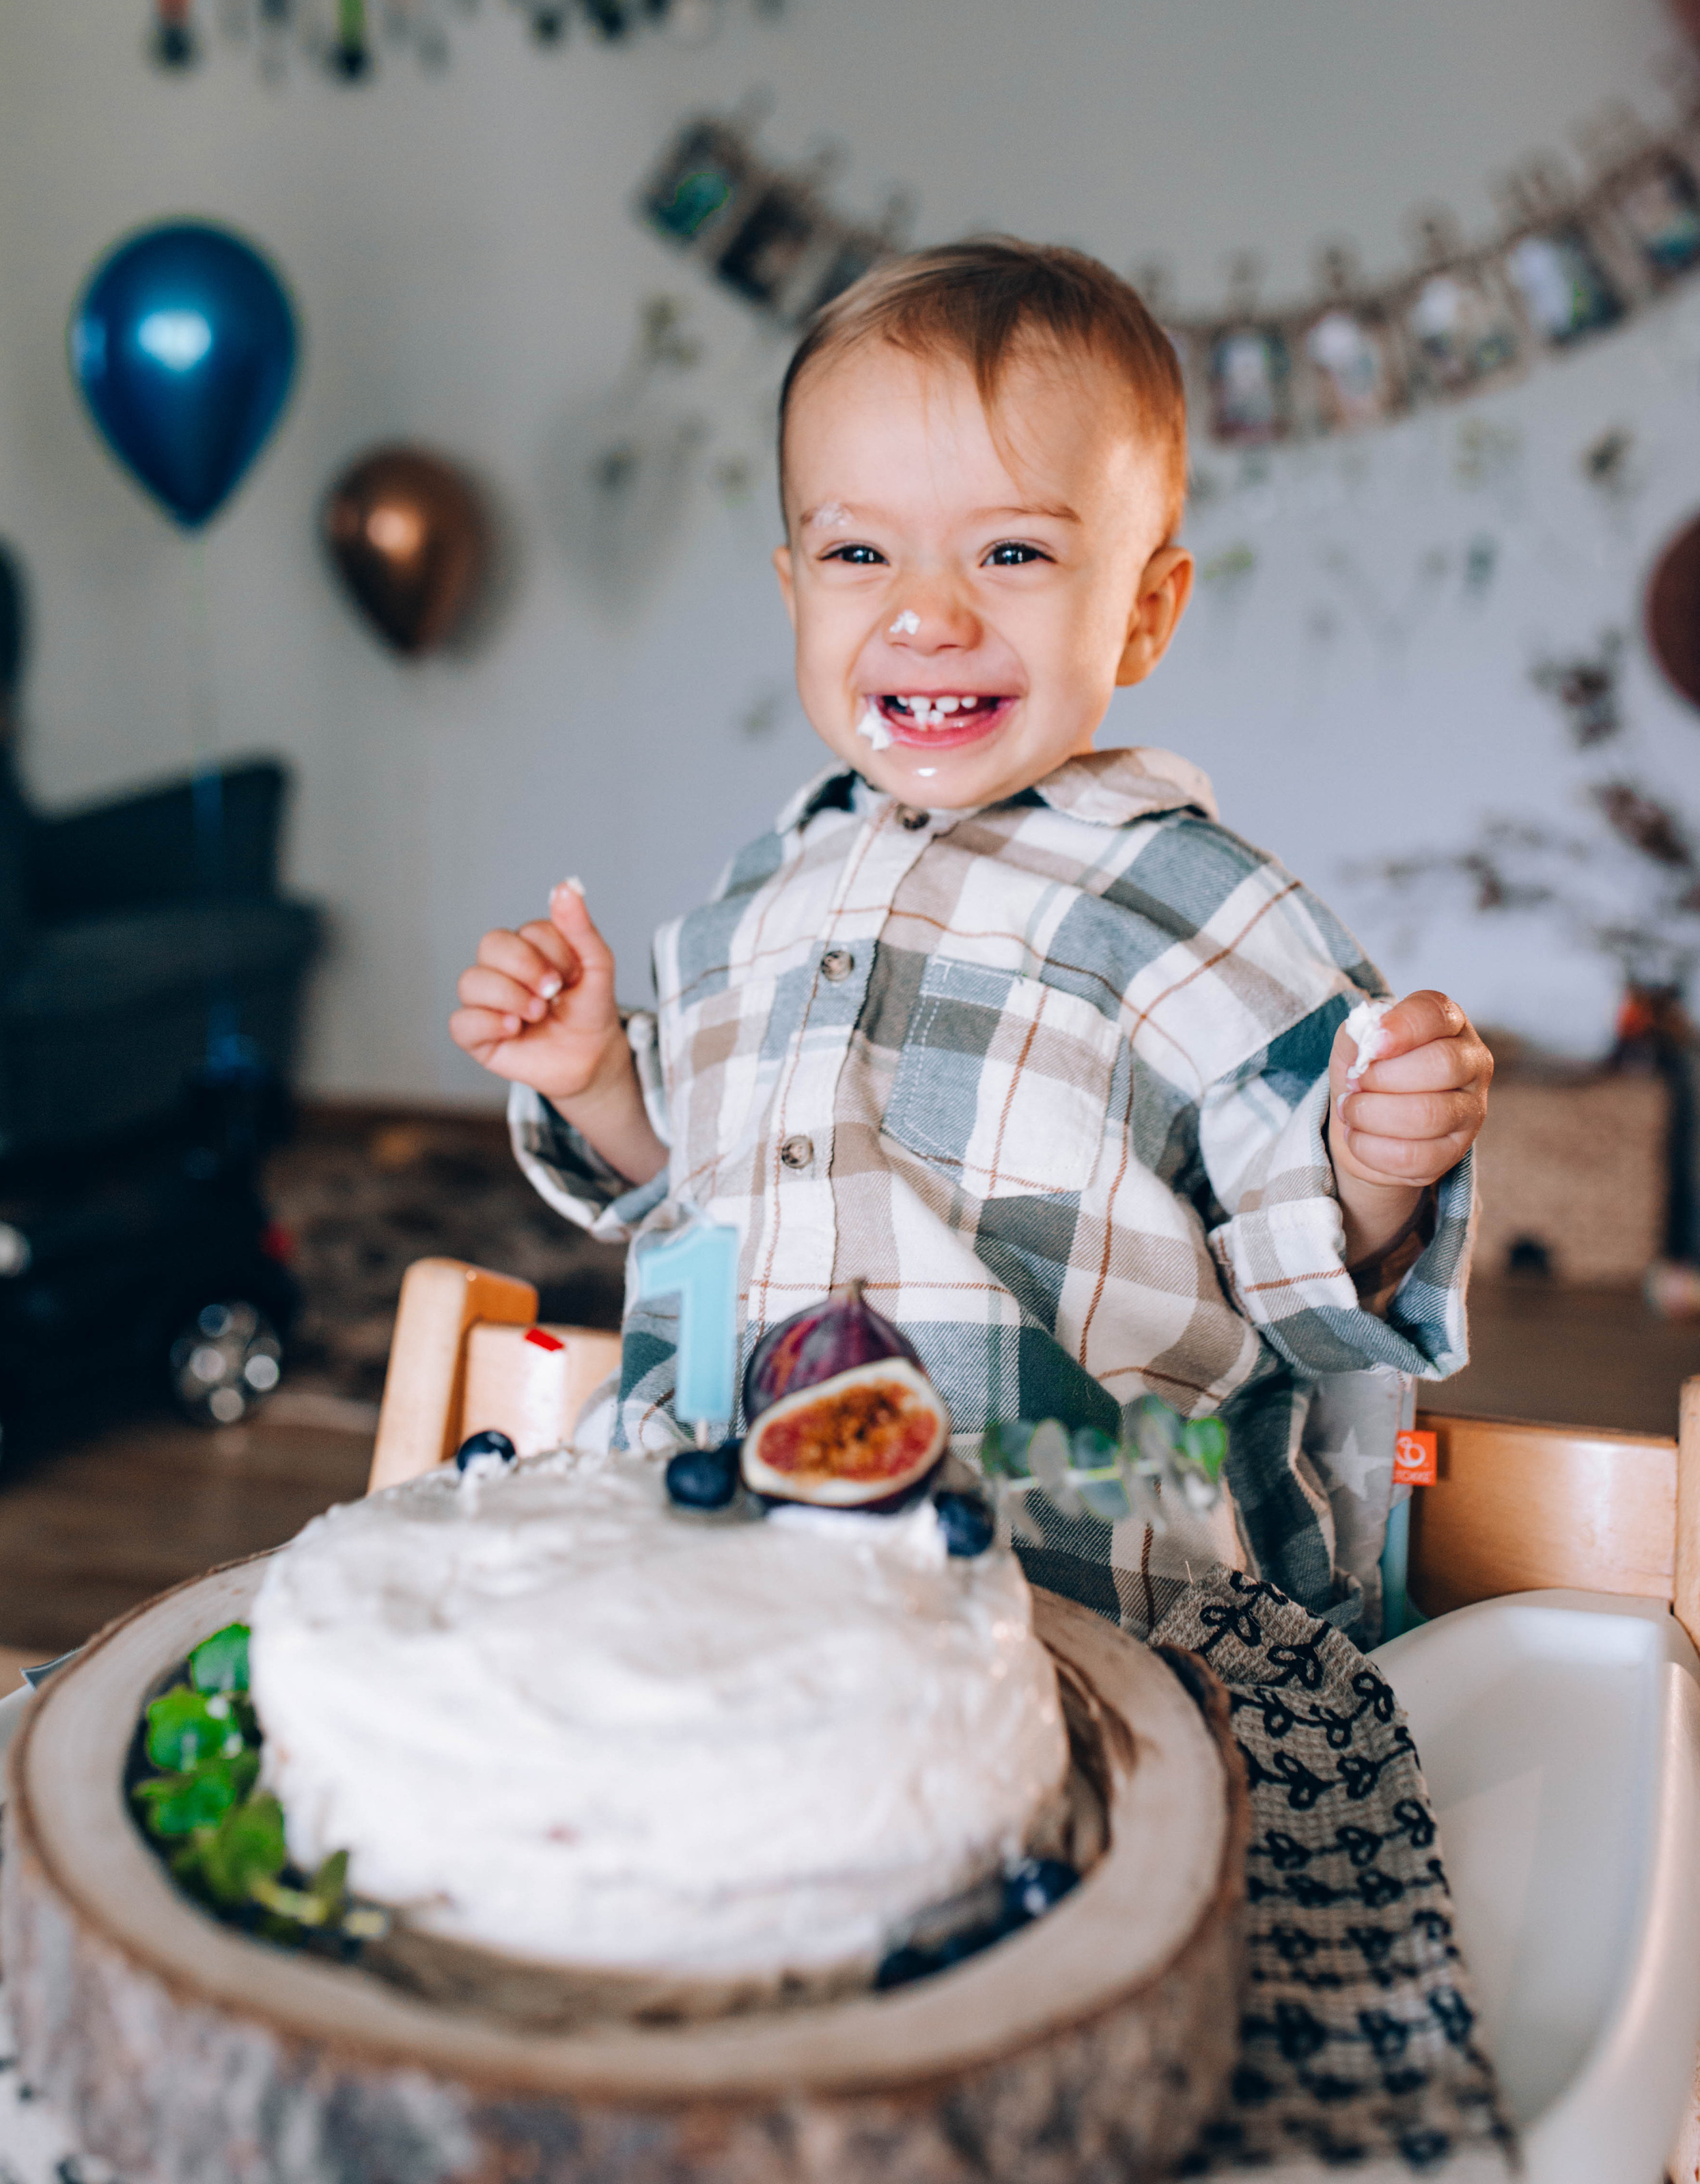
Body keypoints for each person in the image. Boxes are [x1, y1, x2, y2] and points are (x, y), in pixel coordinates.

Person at [450, 240, 1492, 1639]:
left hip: (1055, 1600)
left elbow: (1311, 1281)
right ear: (793, 593)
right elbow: (689, 1198)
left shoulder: (1198, 908)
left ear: (1142, 610)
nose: (925, 613)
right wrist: (592, 1081)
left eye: (1009, 552)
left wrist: (1373, 1162)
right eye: (856, 552)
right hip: (705, 1570)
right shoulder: (752, 900)